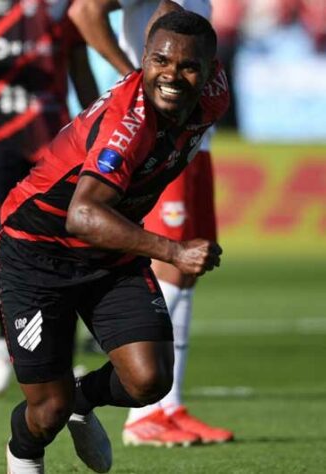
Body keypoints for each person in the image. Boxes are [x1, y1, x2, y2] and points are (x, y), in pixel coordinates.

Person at [0, 10, 229, 472]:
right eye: (160, 61)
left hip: (111, 250)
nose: (172, 75)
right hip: (38, 250)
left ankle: (84, 397)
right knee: (47, 412)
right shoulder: (128, 124)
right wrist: (175, 251)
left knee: (149, 381)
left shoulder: (216, 95)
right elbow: (82, 215)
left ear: (209, 71)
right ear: (142, 58)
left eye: (188, 67)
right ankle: (24, 454)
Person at [69, 0, 234, 446]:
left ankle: (168, 406)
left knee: (189, 266)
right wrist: (136, 81)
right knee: (170, 259)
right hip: (159, 131)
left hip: (194, 134)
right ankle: (142, 413)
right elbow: (84, 12)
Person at [0, 0, 100, 397]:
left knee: (64, 243)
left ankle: (60, 346)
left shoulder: (65, 6)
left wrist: (100, 126)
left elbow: (79, 66)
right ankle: (4, 337)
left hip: (51, 138)